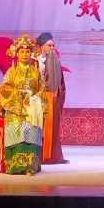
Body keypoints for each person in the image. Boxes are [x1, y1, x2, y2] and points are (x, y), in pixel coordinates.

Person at [0, 34, 45, 175]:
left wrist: (34, 98)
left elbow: (42, 90)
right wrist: (19, 94)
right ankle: (15, 166)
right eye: (22, 52)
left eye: (27, 52)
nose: (25, 54)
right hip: (15, 111)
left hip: (31, 111)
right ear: (17, 54)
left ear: (31, 54)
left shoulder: (36, 72)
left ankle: (30, 166)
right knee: (17, 135)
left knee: (31, 136)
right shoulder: (11, 72)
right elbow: (4, 89)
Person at [37, 32, 68, 164]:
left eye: (53, 45)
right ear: (41, 46)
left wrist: (56, 93)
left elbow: (59, 81)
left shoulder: (54, 59)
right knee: (39, 127)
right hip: (38, 99)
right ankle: (39, 156)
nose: (52, 48)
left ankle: (53, 156)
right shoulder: (36, 61)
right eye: (49, 45)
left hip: (52, 99)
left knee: (53, 127)